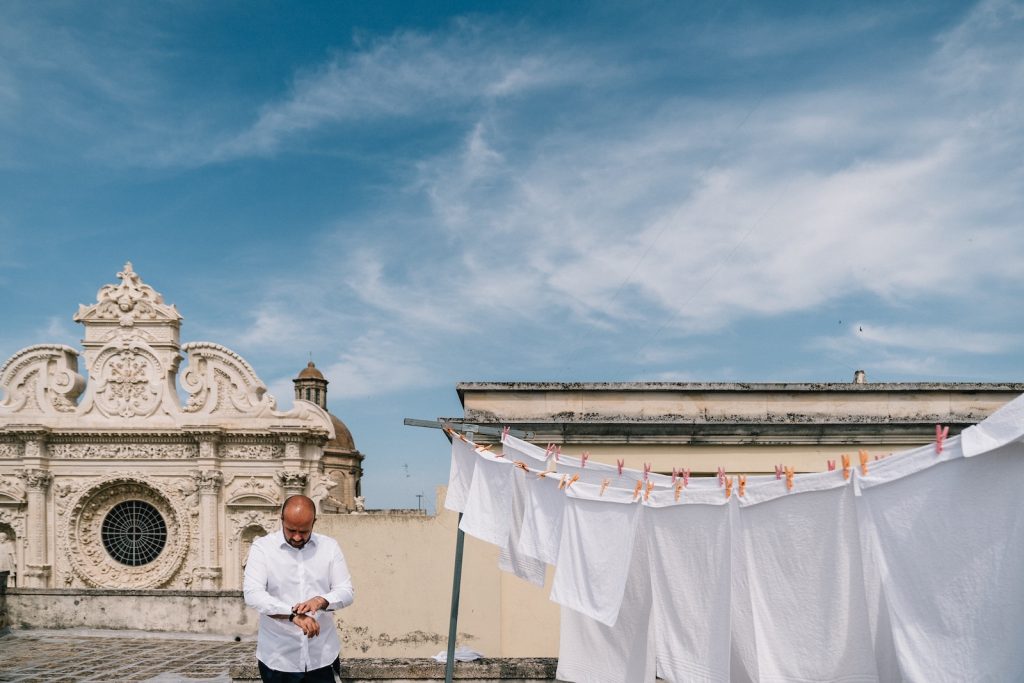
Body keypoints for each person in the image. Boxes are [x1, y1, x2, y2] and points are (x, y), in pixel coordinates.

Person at [244, 495, 355, 682]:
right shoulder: (262, 548)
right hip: (278, 659)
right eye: (291, 530)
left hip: (323, 656)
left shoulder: (329, 547)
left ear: (314, 522)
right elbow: (253, 594)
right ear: (281, 520)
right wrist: (292, 614)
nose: (297, 537)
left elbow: (346, 591)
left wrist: (320, 601)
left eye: (303, 531)